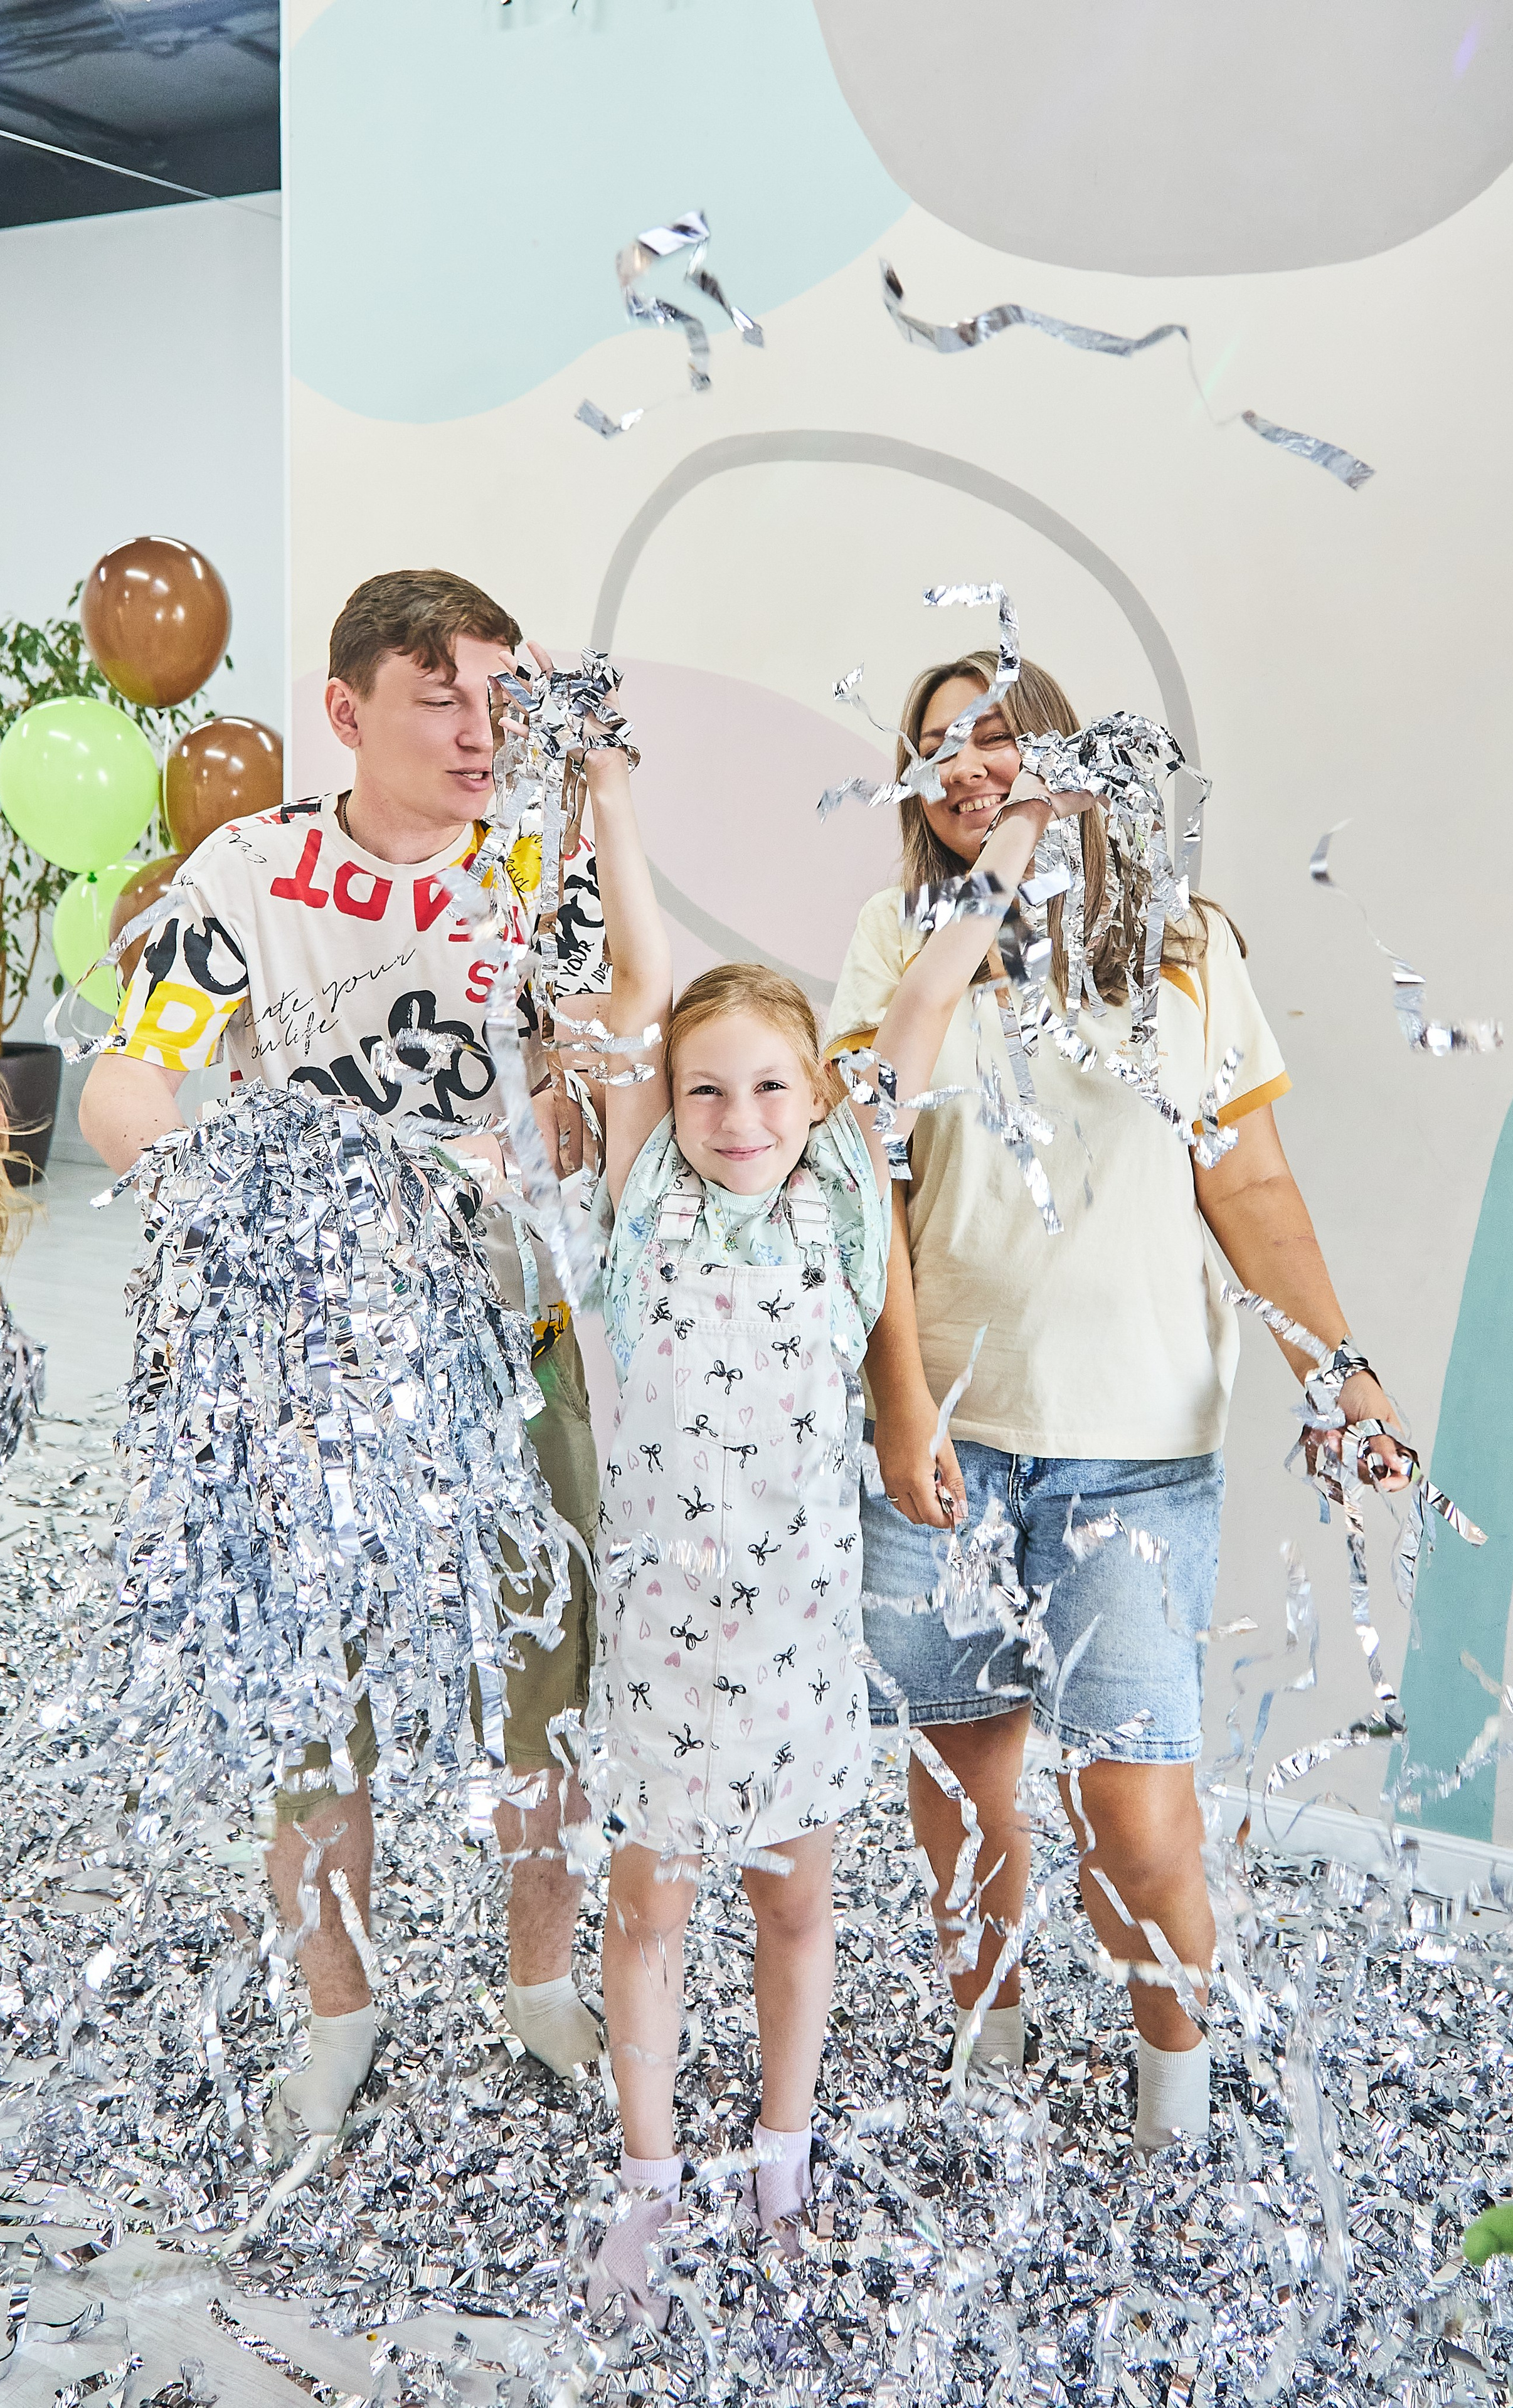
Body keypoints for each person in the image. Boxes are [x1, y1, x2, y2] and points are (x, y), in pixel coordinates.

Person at [824, 648, 1409, 2153]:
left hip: (1134, 1460)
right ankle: (990, 2041)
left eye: (997, 738)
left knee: (1136, 1827)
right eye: (934, 744)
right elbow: (864, 1192)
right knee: (964, 1800)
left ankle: (1171, 2087)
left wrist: (1335, 1373)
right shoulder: (898, 942)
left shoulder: (1182, 946)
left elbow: (1250, 1183)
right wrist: (898, 1414)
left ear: (1072, 757)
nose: (963, 763)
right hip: (944, 1450)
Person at [79, 569, 611, 2125]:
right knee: (316, 1712)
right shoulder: (254, 867)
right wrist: (205, 1176)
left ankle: (538, 1984)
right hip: (307, 1368)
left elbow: (583, 1093)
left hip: (508, 1343)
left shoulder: (540, 863)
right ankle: (339, 2009)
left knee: (543, 1689)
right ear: (346, 710)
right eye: (440, 695)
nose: (478, 728)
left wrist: (557, 1130)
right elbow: (132, 1079)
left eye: (500, 697)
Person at [572, 718, 1056, 2320]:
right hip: (655, 1658)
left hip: (789, 1653)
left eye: (770, 1084)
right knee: (647, 1912)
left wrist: (1021, 835)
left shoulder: (846, 1194)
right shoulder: (640, 1195)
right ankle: (648, 2179)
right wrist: (614, 797)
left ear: (816, 1096)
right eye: (705, 1089)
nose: (736, 1113)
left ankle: (779, 2153)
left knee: (794, 1905)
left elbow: (924, 988)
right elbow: (641, 978)